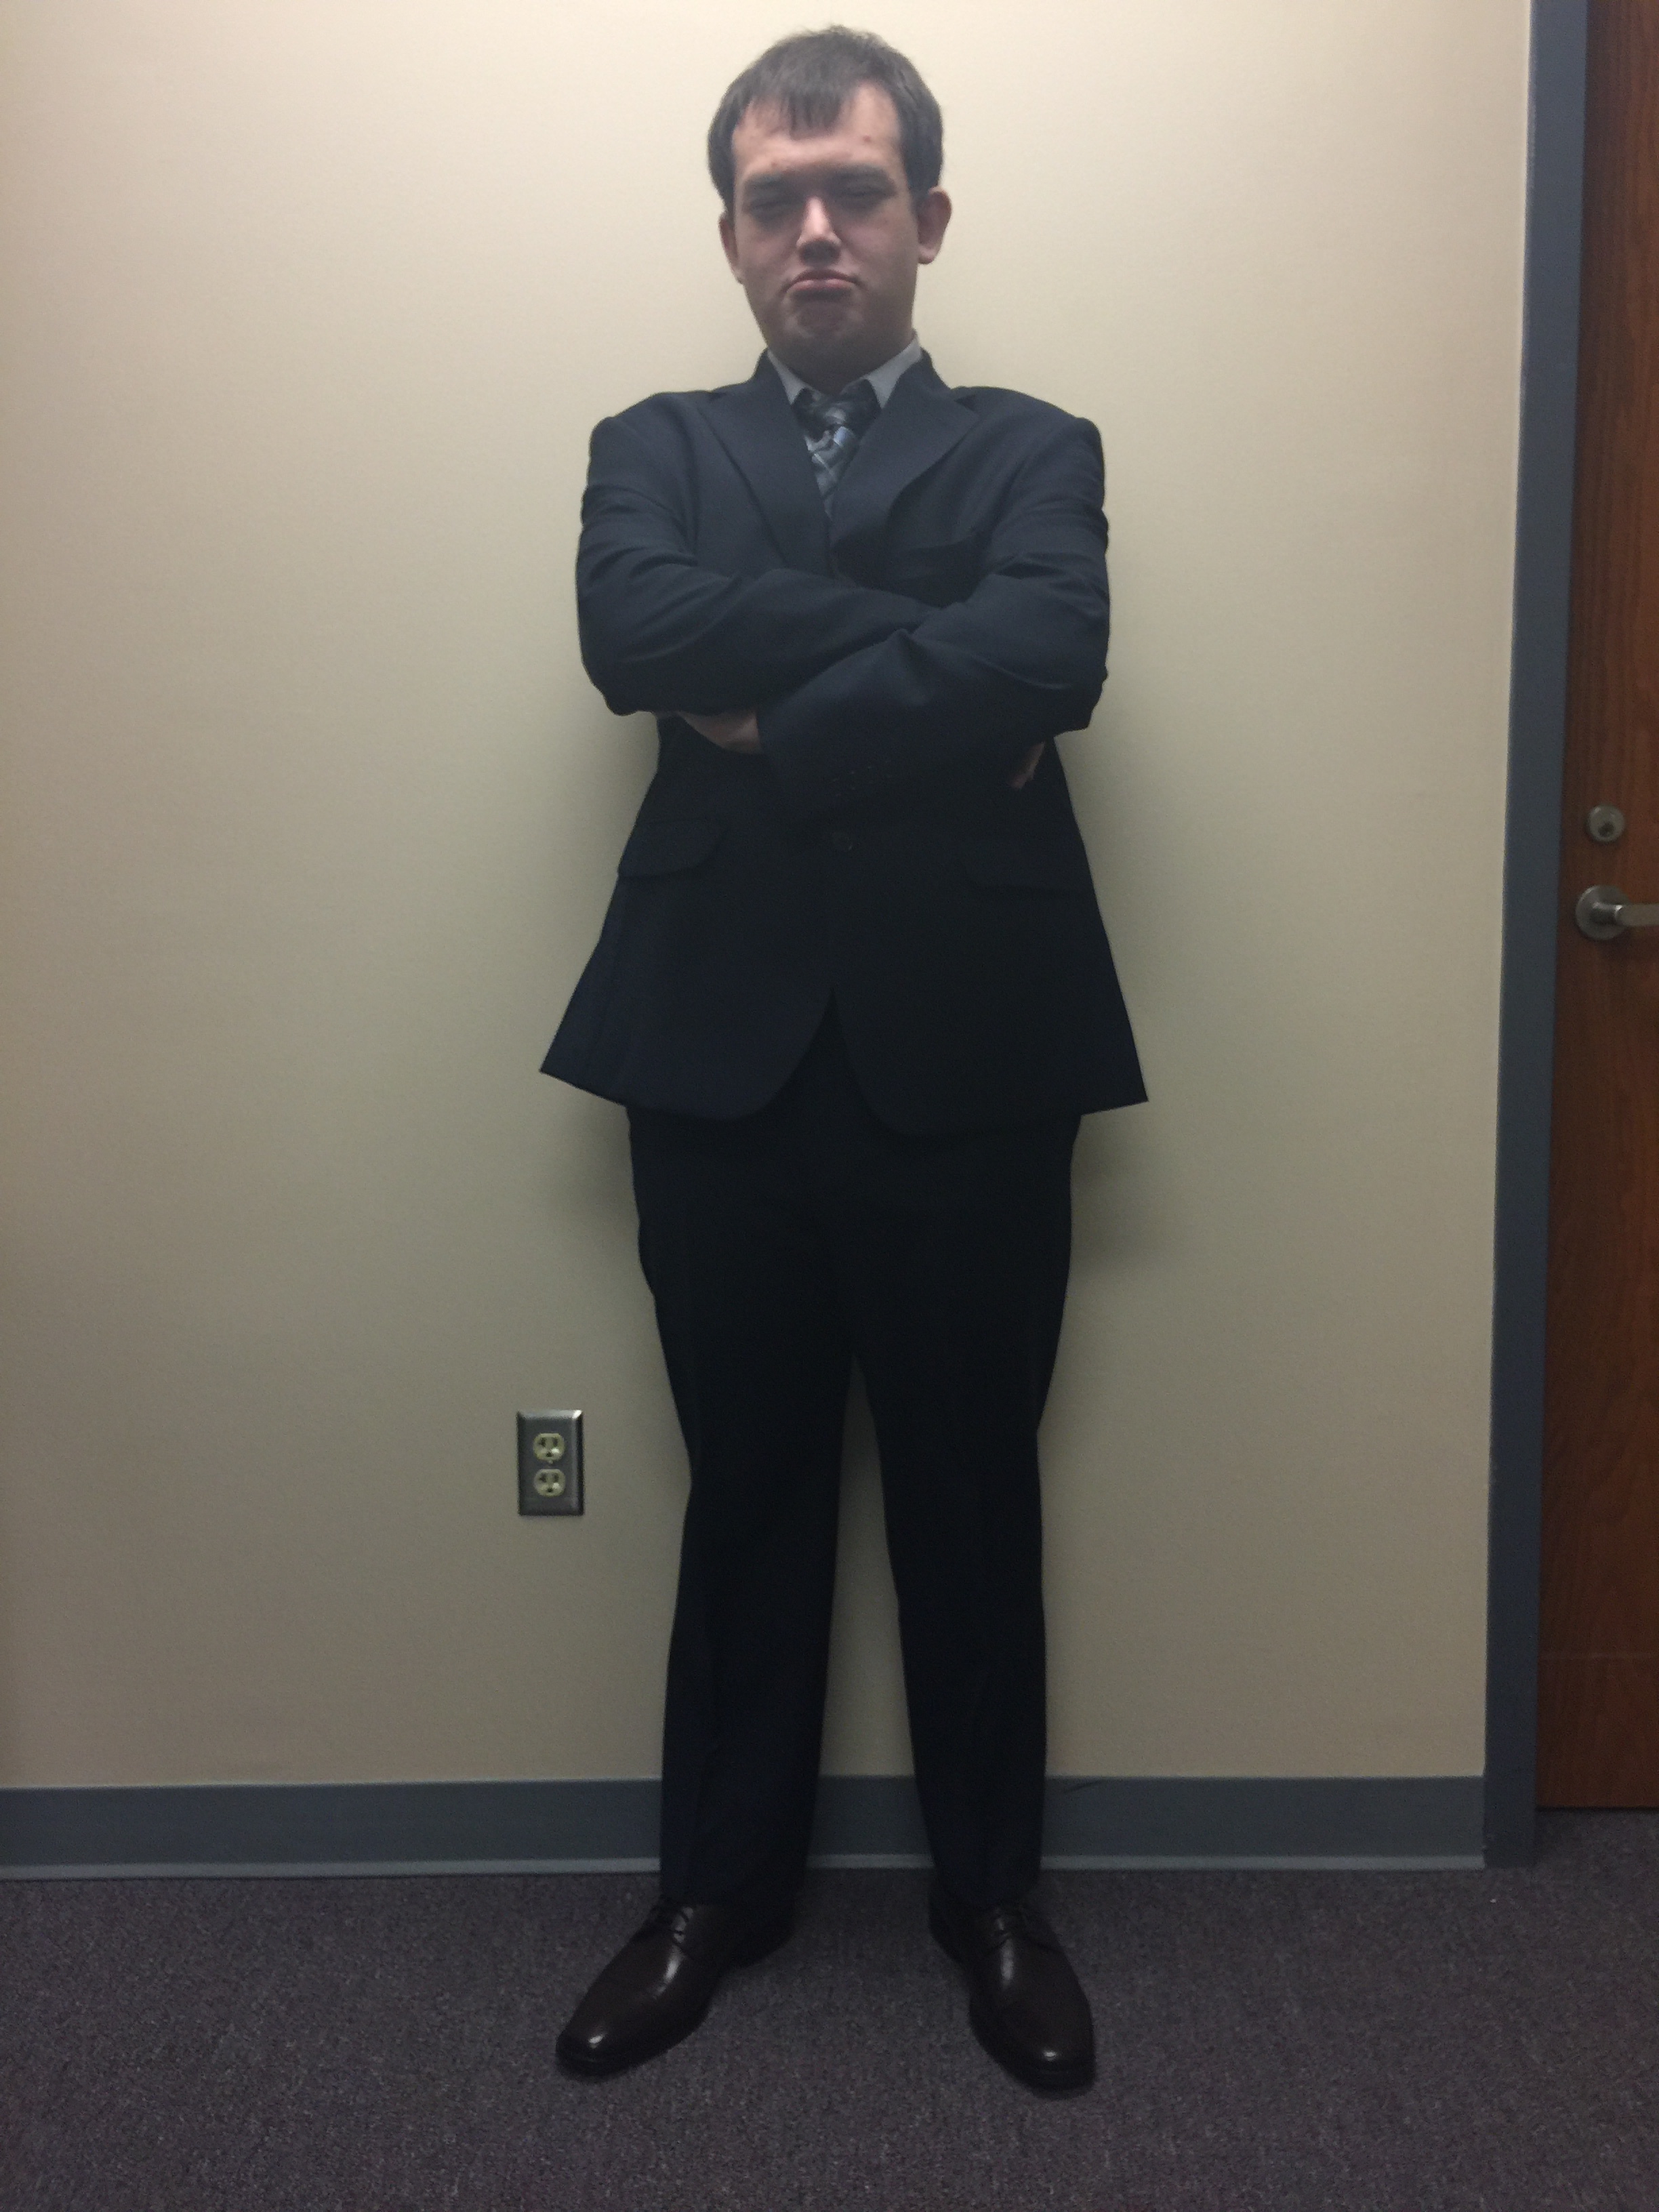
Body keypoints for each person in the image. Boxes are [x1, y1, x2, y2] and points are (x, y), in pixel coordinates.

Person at [542, 26, 1143, 2094]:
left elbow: (1053, 648)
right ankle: (716, 1895)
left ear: (927, 220)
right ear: (731, 235)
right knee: (749, 1487)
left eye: (857, 193)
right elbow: (632, 632)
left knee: (973, 1492)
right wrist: (923, 662)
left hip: (973, 1045)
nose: (818, 230)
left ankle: (996, 1904)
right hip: (714, 1041)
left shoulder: (1035, 447)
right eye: (776, 199)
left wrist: (772, 710)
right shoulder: (651, 444)